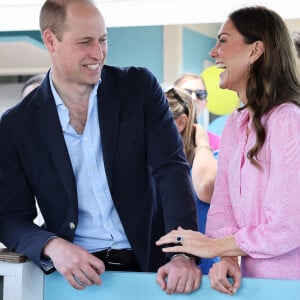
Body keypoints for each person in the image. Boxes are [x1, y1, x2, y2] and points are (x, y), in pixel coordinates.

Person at [0, 0, 201, 294]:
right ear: (50, 40)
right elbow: (10, 216)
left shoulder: (139, 88)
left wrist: (182, 253)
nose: (98, 53)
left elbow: (171, 170)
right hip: (73, 278)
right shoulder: (17, 124)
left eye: (103, 40)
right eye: (85, 42)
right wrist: (52, 246)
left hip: (154, 271)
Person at [156, 5, 300, 295]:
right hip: (244, 286)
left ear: (255, 50)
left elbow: (288, 225)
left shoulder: (289, 119)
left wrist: (213, 246)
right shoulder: (236, 123)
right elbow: (222, 206)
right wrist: (228, 257)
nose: (213, 53)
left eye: (223, 40)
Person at [165, 86, 218, 274]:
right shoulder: (150, 166)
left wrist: (202, 143)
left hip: (206, 272)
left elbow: (206, 186)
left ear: (180, 123)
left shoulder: (210, 159)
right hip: (163, 271)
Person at [174, 73, 220, 157]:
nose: (193, 98)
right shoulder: (158, 137)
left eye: (200, 93)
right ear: (172, 98)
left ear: (205, 103)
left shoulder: (218, 144)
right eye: (186, 92)